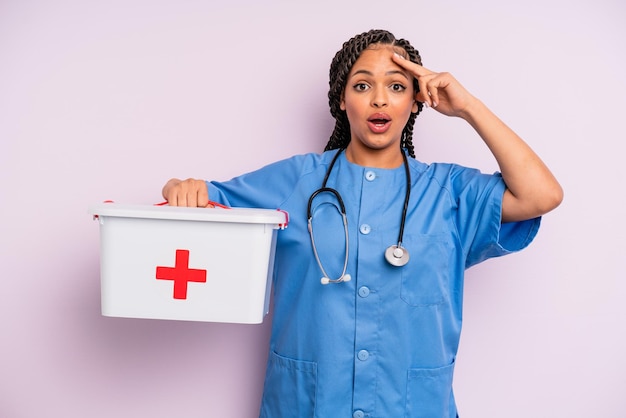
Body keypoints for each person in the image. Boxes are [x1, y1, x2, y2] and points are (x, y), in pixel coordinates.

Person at [162, 29, 562, 418]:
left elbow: (541, 195)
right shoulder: (296, 181)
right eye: (362, 86)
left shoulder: (450, 192)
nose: (379, 101)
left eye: (397, 87)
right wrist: (180, 185)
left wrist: (468, 107)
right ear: (341, 100)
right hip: (309, 405)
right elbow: (206, 201)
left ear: (417, 102)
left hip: (412, 407)